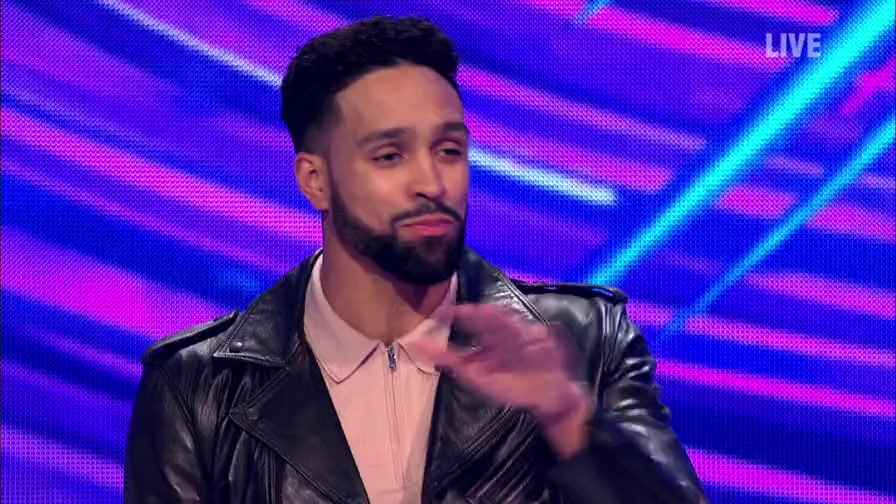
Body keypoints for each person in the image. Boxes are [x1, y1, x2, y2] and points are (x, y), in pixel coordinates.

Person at [124, 15, 707, 504]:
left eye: (449, 149)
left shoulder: (584, 341)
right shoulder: (199, 385)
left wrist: (570, 423)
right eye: (390, 155)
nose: (432, 181)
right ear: (316, 180)